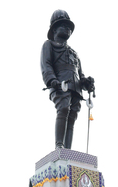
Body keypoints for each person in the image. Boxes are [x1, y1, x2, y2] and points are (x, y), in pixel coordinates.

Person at [41, 10, 95, 149]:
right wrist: (52, 80)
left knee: (73, 116)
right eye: (63, 25)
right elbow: (46, 64)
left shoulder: (74, 54)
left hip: (75, 87)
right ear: (54, 29)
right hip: (60, 84)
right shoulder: (49, 45)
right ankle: (59, 144)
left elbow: (80, 74)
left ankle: (68, 148)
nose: (67, 29)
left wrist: (86, 83)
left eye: (69, 27)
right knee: (63, 108)